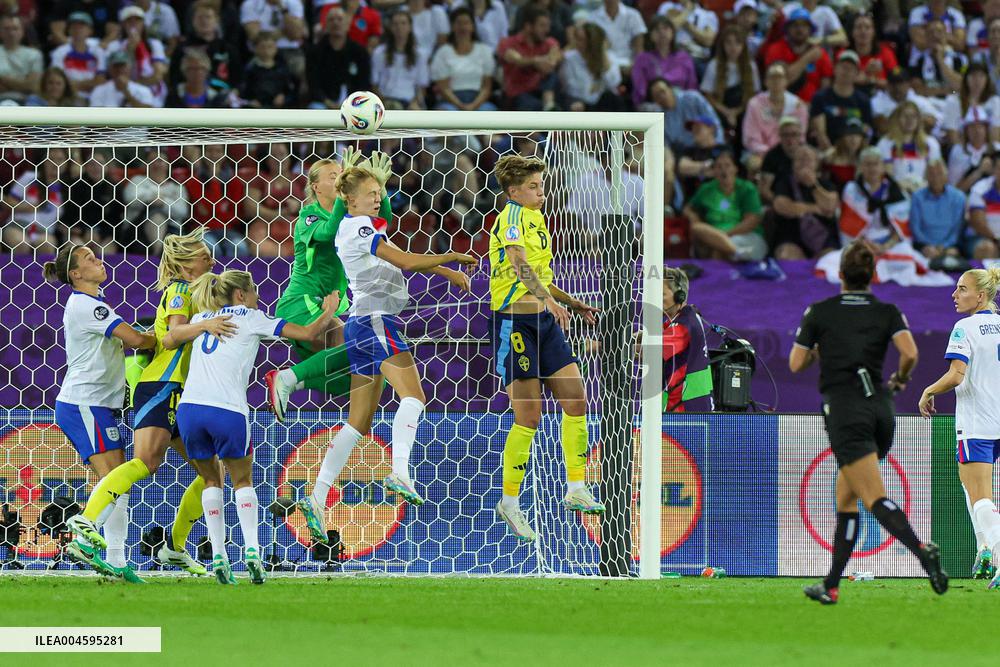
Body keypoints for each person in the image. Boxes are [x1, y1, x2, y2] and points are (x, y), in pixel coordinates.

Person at [293, 166, 475, 541]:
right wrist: (452, 257)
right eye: (371, 192)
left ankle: (316, 496)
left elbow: (396, 259)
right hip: (376, 321)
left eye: (380, 191)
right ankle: (401, 471)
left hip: (362, 323)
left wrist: (447, 274)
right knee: (415, 396)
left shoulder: (362, 227)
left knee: (358, 423)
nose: (378, 197)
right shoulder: (358, 226)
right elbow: (405, 261)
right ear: (351, 200)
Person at [790, 240, 948, 605]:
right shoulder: (887, 310)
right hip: (881, 408)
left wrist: (818, 351)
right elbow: (910, 352)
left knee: (872, 497)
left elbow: (796, 364)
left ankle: (922, 551)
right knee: (846, 497)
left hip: (847, 411)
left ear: (841, 275)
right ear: (872, 275)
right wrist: (901, 379)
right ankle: (830, 585)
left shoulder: (820, 311)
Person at [66, 229, 231, 577]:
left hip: (183, 391)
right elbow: (170, 337)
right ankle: (86, 521)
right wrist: (207, 326)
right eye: (204, 256)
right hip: (161, 384)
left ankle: (174, 547)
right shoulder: (179, 290)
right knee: (145, 462)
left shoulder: (197, 294)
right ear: (187, 266)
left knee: (212, 471)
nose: (211, 260)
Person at [171, 271, 337, 584]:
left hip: (190, 409)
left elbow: (172, 337)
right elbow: (308, 333)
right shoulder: (251, 317)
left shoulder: (205, 317)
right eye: (255, 290)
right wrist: (329, 308)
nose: (258, 297)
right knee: (242, 480)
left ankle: (218, 553)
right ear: (241, 295)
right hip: (227, 410)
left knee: (210, 480)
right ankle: (252, 552)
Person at [489, 154, 604, 542]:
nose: (541, 192)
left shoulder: (537, 220)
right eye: (534, 187)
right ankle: (510, 501)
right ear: (513, 191)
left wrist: (569, 302)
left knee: (576, 400)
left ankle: (576, 488)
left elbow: (542, 277)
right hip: (515, 322)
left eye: (542, 185)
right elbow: (519, 265)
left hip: (545, 321)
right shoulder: (511, 219)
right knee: (530, 417)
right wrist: (550, 302)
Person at [46, 244, 157, 583]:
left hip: (96, 405)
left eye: (96, 255)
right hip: (84, 403)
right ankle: (84, 538)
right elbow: (136, 340)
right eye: (88, 259)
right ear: (75, 274)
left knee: (118, 482)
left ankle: (116, 560)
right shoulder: (86, 306)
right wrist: (171, 336)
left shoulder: (93, 304)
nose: (98, 260)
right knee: (115, 480)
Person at [918, 267, 1000, 585]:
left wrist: (928, 391)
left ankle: (995, 548)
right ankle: (985, 549)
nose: (954, 295)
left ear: (980, 295)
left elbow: (956, 374)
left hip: (978, 424)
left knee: (979, 495)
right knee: (976, 492)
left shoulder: (965, 327)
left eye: (961, 289)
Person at [684, 149, 766, 262]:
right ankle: (737, 253)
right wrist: (693, 216)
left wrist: (723, 235)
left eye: (727, 165)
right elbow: (688, 208)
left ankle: (733, 256)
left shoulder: (747, 188)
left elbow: (751, 222)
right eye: (718, 166)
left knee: (719, 250)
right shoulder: (706, 189)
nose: (723, 170)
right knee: (697, 228)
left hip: (746, 236)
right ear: (714, 171)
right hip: (717, 237)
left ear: (735, 169)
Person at [772, 145, 840, 259]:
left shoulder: (826, 184)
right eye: (800, 159)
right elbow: (782, 207)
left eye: (808, 159)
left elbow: (830, 206)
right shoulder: (784, 183)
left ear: (816, 164)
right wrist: (817, 208)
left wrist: (813, 186)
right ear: (793, 164)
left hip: (823, 237)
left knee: (831, 259)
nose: (804, 163)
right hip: (791, 236)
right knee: (787, 256)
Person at [661, 268, 712, 412]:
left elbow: (652, 350)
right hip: (680, 409)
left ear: (679, 295)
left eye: (661, 293)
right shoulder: (676, 322)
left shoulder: (684, 325)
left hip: (687, 412)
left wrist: (600, 346)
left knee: (636, 435)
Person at [742, 64, 809, 174]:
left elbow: (800, 136)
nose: (776, 81)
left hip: (791, 151)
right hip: (761, 152)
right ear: (765, 81)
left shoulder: (798, 105)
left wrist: (786, 152)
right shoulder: (755, 104)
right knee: (753, 163)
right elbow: (750, 138)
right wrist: (770, 154)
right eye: (772, 77)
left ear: (786, 81)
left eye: (780, 77)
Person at [429, 7, 496, 112]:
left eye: (466, 23)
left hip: (478, 100)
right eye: (459, 23)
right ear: (452, 27)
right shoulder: (443, 52)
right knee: (445, 113)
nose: (463, 27)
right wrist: (460, 106)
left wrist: (473, 106)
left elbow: (486, 87)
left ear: (473, 27)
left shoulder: (484, 51)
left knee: (489, 113)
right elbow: (443, 88)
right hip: (450, 101)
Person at [498, 5, 562, 111]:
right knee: (535, 107)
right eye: (542, 26)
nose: (547, 30)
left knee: (553, 76)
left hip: (542, 90)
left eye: (548, 26)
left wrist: (544, 62)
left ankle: (548, 103)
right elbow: (517, 60)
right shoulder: (508, 43)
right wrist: (535, 61)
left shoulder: (549, 42)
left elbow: (552, 62)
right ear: (528, 26)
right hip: (519, 95)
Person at [762, 8, 833, 104]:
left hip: (811, 108)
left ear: (810, 30)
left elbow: (826, 88)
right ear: (787, 29)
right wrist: (807, 58)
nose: (800, 29)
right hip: (780, 106)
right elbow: (781, 81)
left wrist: (816, 107)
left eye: (804, 25)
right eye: (795, 25)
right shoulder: (776, 49)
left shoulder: (821, 54)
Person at [700, 24, 759, 135]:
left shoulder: (751, 66)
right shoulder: (714, 65)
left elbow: (753, 95)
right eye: (729, 42)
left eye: (737, 43)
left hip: (743, 108)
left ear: (743, 46)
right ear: (723, 45)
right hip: (720, 108)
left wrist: (736, 112)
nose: (733, 47)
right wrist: (727, 112)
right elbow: (708, 95)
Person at [307, 8, 370, 110]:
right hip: (323, 103)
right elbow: (313, 85)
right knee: (315, 109)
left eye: (340, 19)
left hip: (354, 104)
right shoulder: (315, 52)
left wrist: (350, 104)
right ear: (326, 25)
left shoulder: (360, 52)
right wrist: (328, 102)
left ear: (348, 24)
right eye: (331, 20)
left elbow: (364, 85)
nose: (335, 23)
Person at [809, 50, 871, 152]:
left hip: (853, 151)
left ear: (857, 74)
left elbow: (866, 130)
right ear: (835, 69)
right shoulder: (820, 97)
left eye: (850, 69)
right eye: (843, 67)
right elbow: (820, 133)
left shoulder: (863, 101)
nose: (846, 72)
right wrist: (832, 154)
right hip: (826, 151)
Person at [876, 100, 942, 194]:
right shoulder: (886, 143)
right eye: (905, 116)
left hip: (924, 193)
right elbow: (885, 174)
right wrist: (900, 186)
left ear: (919, 119)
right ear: (897, 119)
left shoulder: (931, 143)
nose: (909, 120)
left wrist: (922, 186)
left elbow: (935, 174)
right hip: (895, 193)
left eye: (913, 116)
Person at [630, 16, 696, 107]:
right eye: (657, 29)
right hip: (654, 105)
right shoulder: (642, 59)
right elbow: (640, 91)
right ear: (650, 36)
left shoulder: (684, 57)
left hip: (682, 105)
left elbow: (692, 87)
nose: (662, 32)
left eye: (666, 28)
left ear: (673, 32)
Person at [559, 23, 623, 112]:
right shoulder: (569, 59)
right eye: (576, 38)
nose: (577, 43)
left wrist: (602, 54)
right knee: (574, 104)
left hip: (602, 103)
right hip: (580, 102)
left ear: (592, 42)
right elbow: (570, 88)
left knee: (611, 98)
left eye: (581, 40)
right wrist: (593, 88)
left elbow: (614, 82)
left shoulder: (609, 57)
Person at [372, 10, 429, 110]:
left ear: (410, 27)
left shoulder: (420, 55)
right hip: (386, 100)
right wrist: (382, 102)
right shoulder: (379, 52)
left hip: (409, 101)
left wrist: (415, 102)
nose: (399, 27)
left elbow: (422, 87)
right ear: (390, 28)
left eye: (403, 23)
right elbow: (374, 84)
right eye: (395, 24)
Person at [910, 159, 966, 260]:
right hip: (924, 245)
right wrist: (928, 246)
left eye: (939, 173)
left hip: (949, 245)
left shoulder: (958, 197)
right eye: (931, 174)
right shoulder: (917, 197)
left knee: (952, 254)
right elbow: (915, 228)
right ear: (926, 176)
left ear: (946, 175)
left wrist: (943, 247)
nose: (936, 178)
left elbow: (956, 230)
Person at [49, 12, 107, 103]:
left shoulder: (98, 52)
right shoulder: (59, 52)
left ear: (90, 30)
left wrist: (75, 84)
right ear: (69, 30)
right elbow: (58, 82)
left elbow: (100, 81)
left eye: (82, 26)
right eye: (74, 27)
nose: (78, 30)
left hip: (94, 99)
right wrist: (89, 84)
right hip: (68, 99)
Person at [942, 63, 1000, 146]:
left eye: (981, 76)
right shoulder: (953, 101)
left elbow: (995, 135)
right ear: (965, 79)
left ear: (987, 80)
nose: (977, 80)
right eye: (973, 76)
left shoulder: (995, 101)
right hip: (962, 149)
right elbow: (953, 137)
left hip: (988, 150)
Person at [842, 12, 898, 96]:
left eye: (867, 27)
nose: (863, 31)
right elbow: (839, 81)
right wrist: (866, 73)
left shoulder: (886, 52)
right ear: (852, 32)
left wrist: (871, 80)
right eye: (858, 27)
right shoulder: (844, 54)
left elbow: (895, 83)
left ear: (873, 32)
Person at [947, 108, 1000, 192]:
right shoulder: (958, 152)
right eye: (972, 127)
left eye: (980, 126)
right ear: (966, 131)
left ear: (986, 129)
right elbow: (954, 190)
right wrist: (979, 171)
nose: (977, 131)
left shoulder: (997, 149)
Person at [966, 157, 1000, 259]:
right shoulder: (980, 189)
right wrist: (997, 240)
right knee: (987, 248)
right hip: (981, 237)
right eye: (999, 168)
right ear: (994, 170)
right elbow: (979, 224)